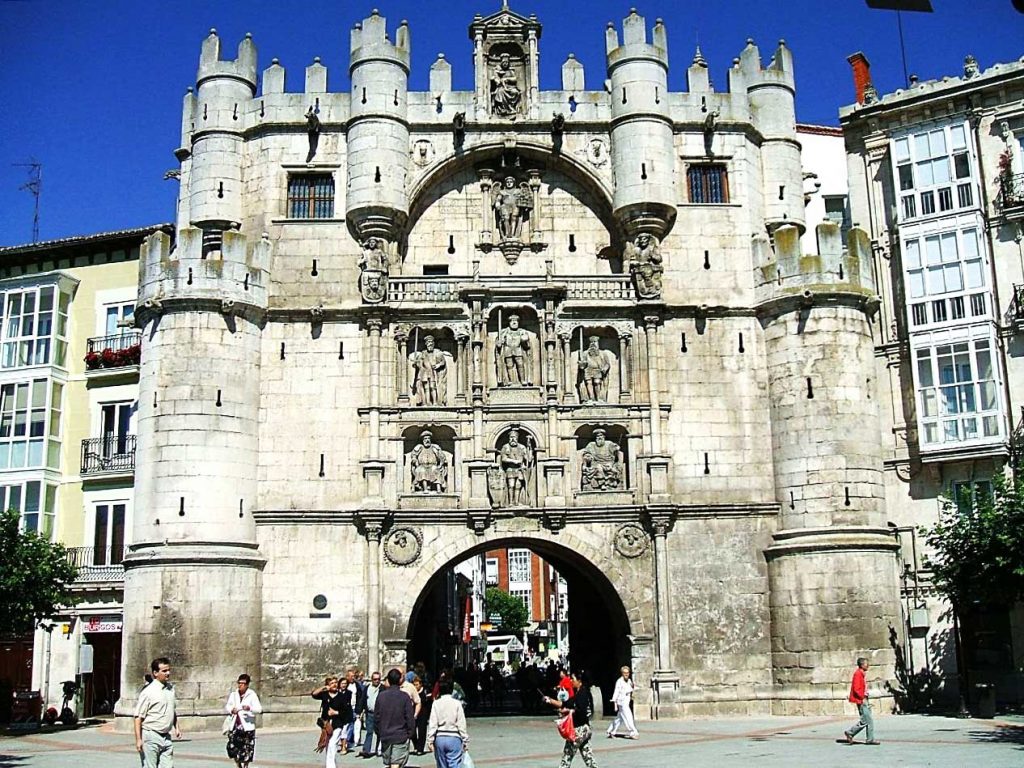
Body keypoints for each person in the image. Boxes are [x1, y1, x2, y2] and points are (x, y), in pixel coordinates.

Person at [543, 670, 598, 768]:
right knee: (588, 756)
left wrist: (568, 711)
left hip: (578, 730)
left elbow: (581, 711)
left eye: (573, 679)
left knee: (567, 756)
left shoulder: (583, 694)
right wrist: (550, 700)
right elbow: (564, 703)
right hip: (584, 730)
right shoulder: (579, 693)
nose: (571, 681)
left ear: (579, 681)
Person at [134, 657, 180, 768]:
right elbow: (138, 717)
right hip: (151, 735)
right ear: (155, 673)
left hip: (166, 737)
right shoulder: (148, 692)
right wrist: (139, 740)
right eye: (164, 671)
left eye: (168, 670)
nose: (168, 673)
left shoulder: (170, 689)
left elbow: (172, 710)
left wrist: (177, 727)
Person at [375, 668, 416, 768]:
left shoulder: (381, 696)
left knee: (391, 763)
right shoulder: (404, 696)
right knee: (395, 764)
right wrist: (410, 733)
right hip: (400, 734)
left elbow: (376, 717)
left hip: (386, 734)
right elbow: (409, 717)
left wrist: (379, 732)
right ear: (400, 680)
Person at [426, 678, 468, 768]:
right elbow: (461, 723)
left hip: (440, 737)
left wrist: (430, 740)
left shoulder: (436, 703)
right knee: (454, 763)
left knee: (441, 765)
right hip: (454, 737)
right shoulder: (457, 703)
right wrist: (465, 739)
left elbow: (433, 722)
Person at [312, 676, 354, 767]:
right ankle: (330, 765)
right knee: (327, 745)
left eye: (335, 682)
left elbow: (347, 711)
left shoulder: (341, 697)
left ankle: (332, 766)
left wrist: (336, 712)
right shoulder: (325, 695)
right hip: (326, 724)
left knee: (332, 744)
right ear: (328, 685)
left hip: (337, 723)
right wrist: (323, 688)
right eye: (332, 683)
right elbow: (314, 694)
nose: (334, 685)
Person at [224, 673, 262, 768]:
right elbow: (228, 706)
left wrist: (249, 708)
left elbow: (259, 709)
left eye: (243, 683)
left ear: (247, 685)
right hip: (235, 725)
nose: (240, 685)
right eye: (239, 683)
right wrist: (231, 710)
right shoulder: (234, 694)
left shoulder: (252, 695)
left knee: (247, 749)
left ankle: (245, 766)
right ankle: (238, 765)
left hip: (247, 726)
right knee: (232, 747)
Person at [843, 657, 880, 745]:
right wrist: (862, 697)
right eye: (866, 664)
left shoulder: (862, 674)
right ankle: (850, 732)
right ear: (862, 665)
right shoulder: (858, 674)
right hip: (861, 700)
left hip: (864, 699)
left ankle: (870, 739)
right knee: (866, 720)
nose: (868, 665)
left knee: (868, 720)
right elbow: (856, 688)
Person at [606, 666, 637, 740]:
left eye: (627, 673)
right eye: (624, 673)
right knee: (628, 716)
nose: (626, 674)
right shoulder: (619, 681)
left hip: (627, 701)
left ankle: (611, 731)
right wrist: (614, 702)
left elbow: (631, 689)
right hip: (621, 702)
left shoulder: (629, 681)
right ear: (622, 673)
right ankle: (633, 732)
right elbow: (616, 692)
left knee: (619, 718)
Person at [360, 671, 383, 758]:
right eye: (375, 679)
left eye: (378, 679)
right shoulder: (367, 688)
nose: (377, 681)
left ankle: (379, 750)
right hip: (369, 713)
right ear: (371, 680)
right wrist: (360, 711)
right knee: (369, 731)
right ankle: (366, 750)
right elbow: (363, 700)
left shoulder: (383, 689)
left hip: (380, 714)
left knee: (379, 733)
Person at [411, 675, 433, 754]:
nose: (415, 686)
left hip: (423, 713)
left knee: (422, 731)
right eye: (414, 684)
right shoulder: (412, 692)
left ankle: (420, 748)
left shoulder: (425, 691)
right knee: (412, 731)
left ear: (420, 684)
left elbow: (428, 702)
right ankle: (416, 745)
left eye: (417, 684)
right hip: (414, 712)